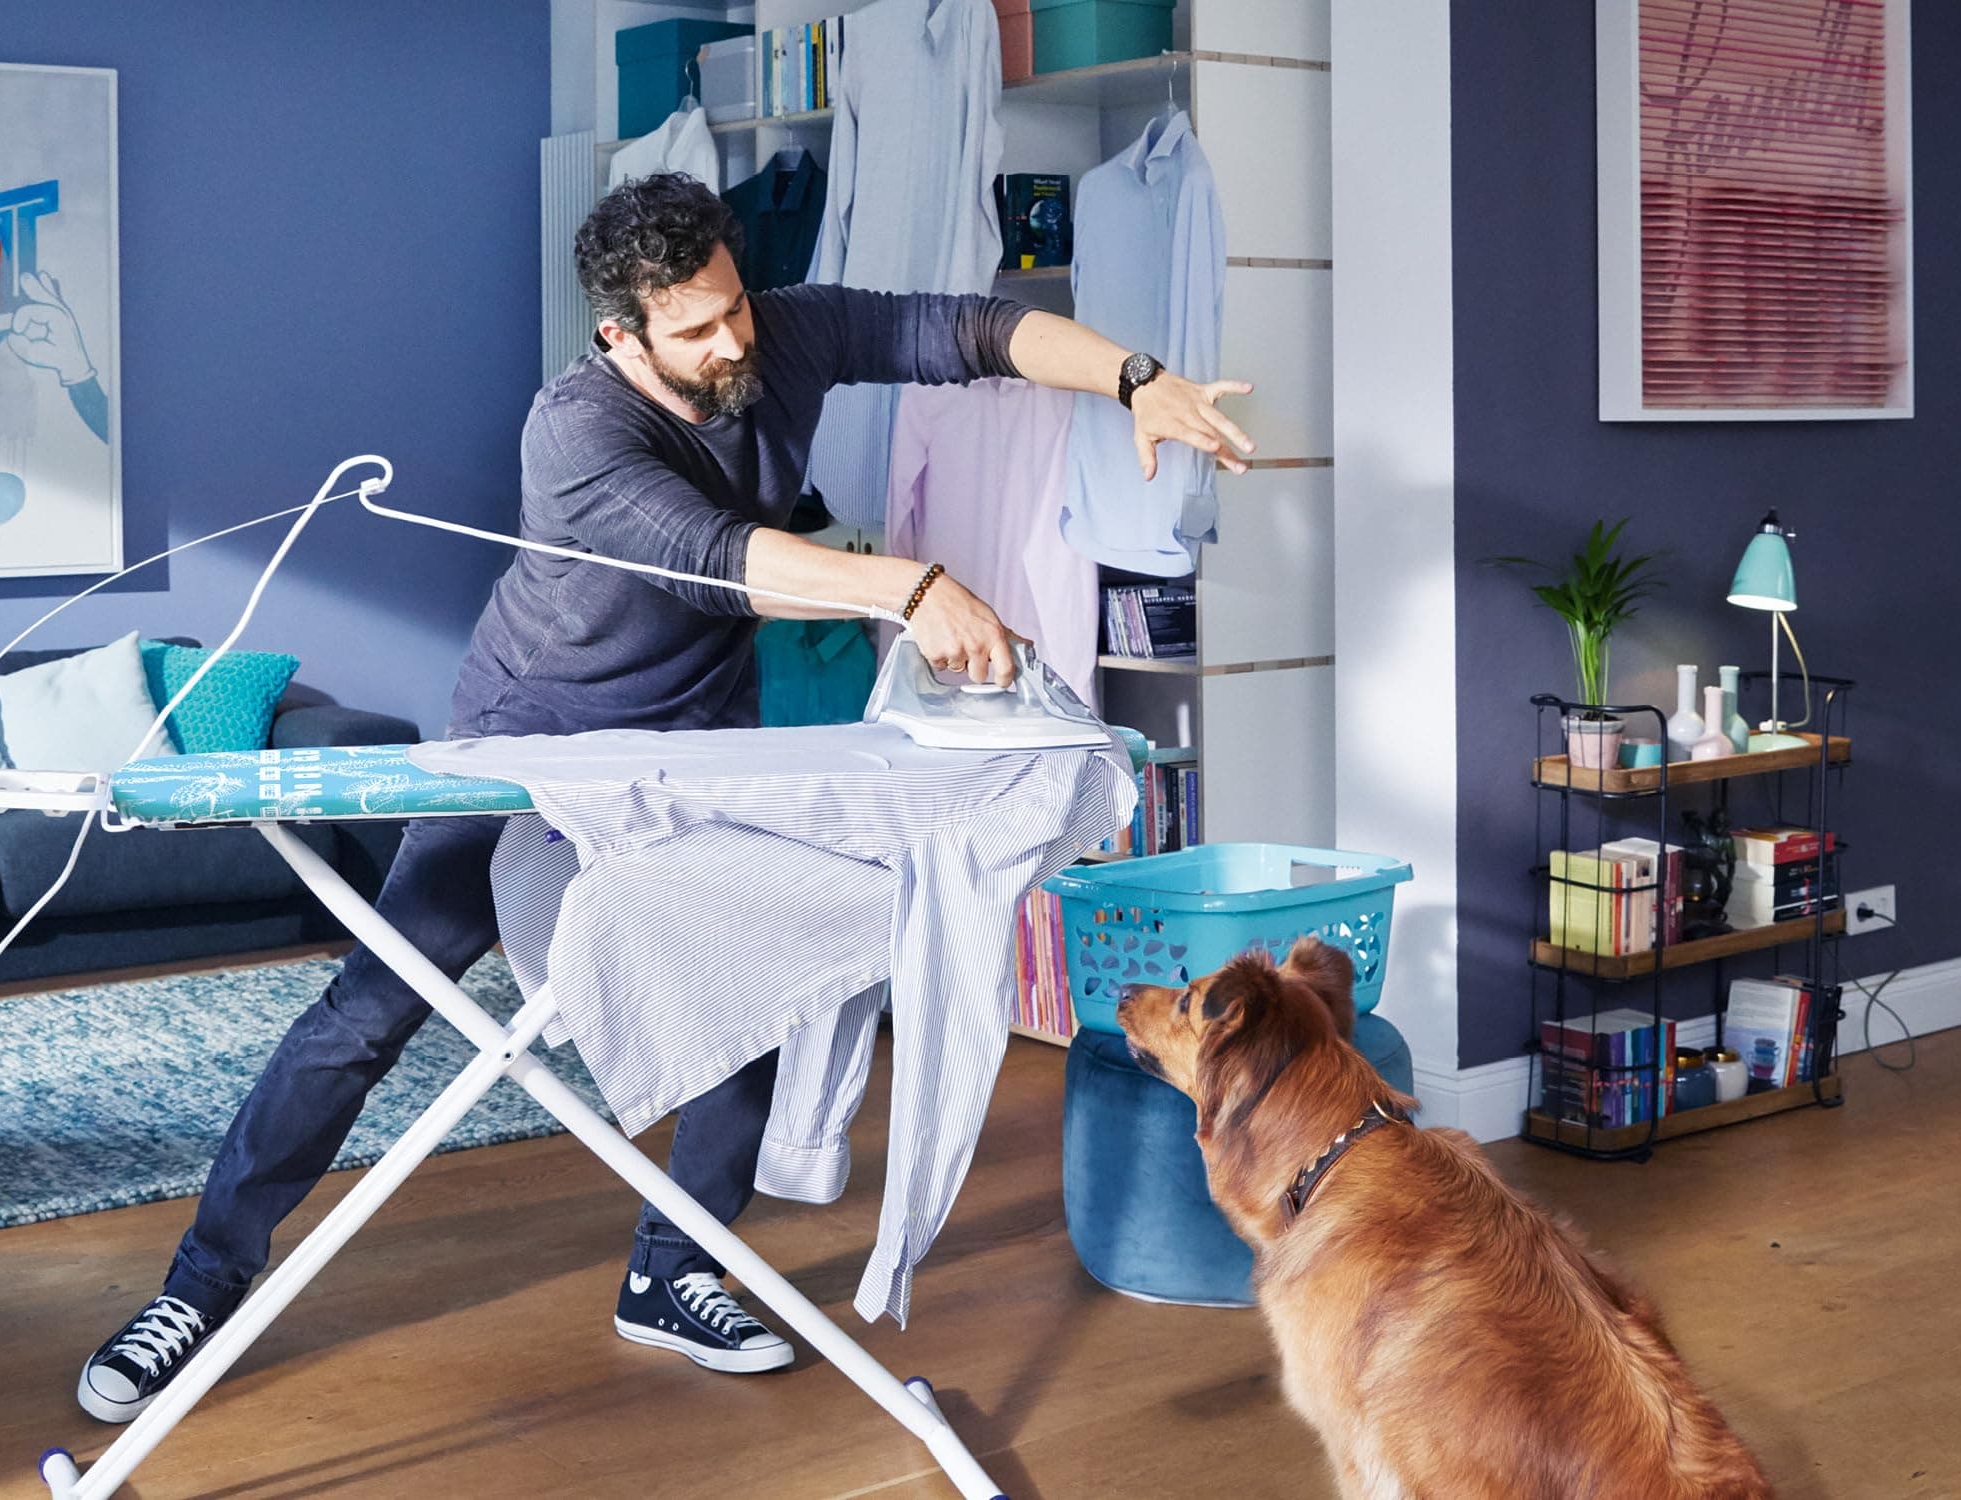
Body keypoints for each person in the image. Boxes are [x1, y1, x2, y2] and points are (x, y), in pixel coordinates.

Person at [78, 171, 1255, 1420]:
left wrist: (1139, 379)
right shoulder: (575, 433)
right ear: (619, 335)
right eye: (694, 330)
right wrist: (909, 588)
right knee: (373, 1011)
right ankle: (198, 1287)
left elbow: (968, 330)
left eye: (733, 307)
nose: (732, 341)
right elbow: (716, 562)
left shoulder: (778, 332)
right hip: (528, 744)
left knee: (741, 991)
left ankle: (676, 1270)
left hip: (694, 742)